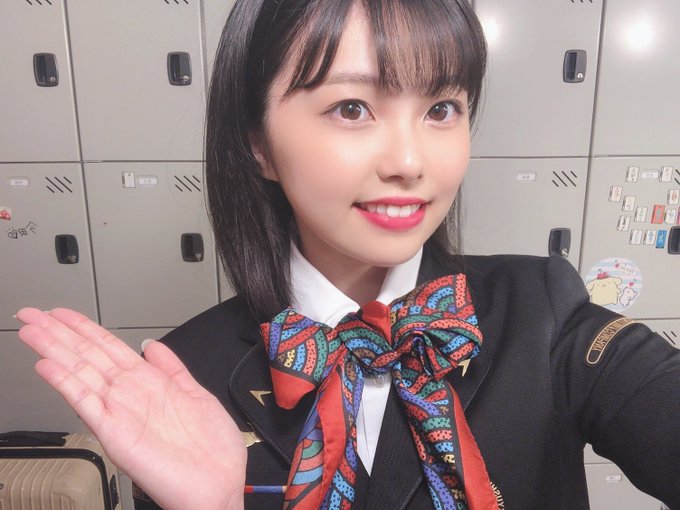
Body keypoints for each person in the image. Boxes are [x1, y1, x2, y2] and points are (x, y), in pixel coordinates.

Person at [15, 0, 680, 509]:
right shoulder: (187, 374)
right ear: (257, 143)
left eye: (441, 108)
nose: (410, 162)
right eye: (353, 108)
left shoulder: (546, 312)